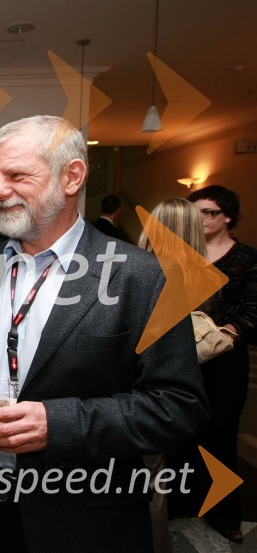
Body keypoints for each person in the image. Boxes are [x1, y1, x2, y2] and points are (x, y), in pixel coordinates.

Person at [0, 115, 208, 553]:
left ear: (72, 176)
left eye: (17, 175)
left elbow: (178, 406)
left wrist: (57, 424)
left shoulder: (142, 277)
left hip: (87, 521)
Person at [174, 184, 256, 544]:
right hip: (180, 357)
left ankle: (224, 515)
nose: (202, 219)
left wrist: (224, 336)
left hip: (224, 359)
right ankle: (180, 503)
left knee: (220, 435)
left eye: (209, 212)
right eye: (197, 212)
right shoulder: (179, 253)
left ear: (227, 216)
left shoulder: (247, 258)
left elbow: (253, 309)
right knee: (177, 432)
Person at [137, 197, 209, 553]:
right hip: (189, 387)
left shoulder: (147, 273)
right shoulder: (203, 271)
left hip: (146, 392)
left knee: (148, 484)